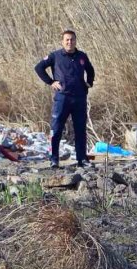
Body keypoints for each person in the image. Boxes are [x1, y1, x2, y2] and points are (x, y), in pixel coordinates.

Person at [34, 30, 95, 168]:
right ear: (62, 42)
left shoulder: (82, 56)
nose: (70, 42)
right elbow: (39, 68)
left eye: (72, 39)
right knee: (56, 129)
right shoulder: (55, 56)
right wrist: (50, 82)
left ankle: (82, 159)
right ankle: (54, 159)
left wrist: (89, 83)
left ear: (75, 41)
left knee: (80, 130)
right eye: (67, 40)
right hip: (62, 98)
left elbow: (90, 70)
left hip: (79, 98)